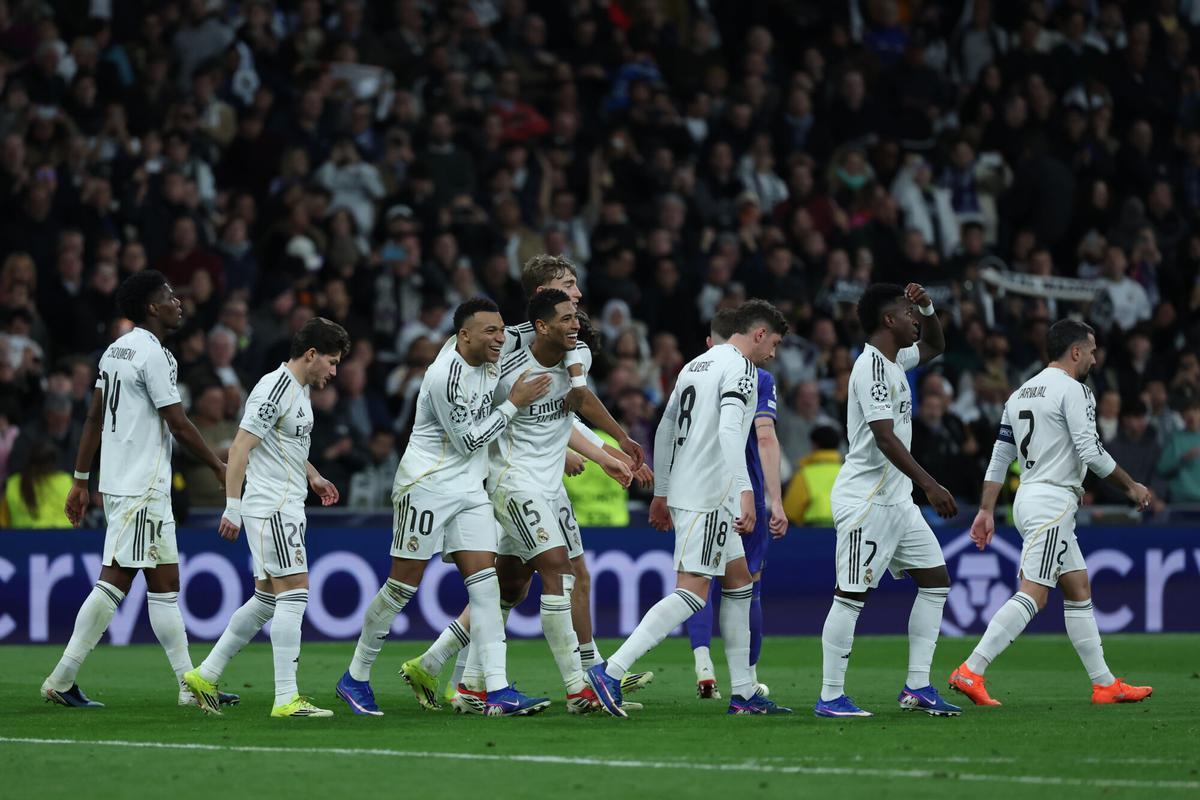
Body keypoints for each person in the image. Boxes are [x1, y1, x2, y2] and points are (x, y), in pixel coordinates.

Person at [399, 256, 652, 709]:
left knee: (511, 585)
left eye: (576, 290)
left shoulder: (577, 347)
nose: (577, 295)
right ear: (541, 302)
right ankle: (583, 682)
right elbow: (473, 406)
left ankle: (449, 673)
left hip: (547, 482)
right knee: (558, 571)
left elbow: (568, 405)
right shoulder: (498, 348)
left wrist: (601, 451)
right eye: (567, 288)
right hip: (504, 480)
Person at [335, 297, 554, 717]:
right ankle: (355, 677)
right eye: (490, 331)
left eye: (501, 329)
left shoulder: (494, 347)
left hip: (470, 490)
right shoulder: (443, 377)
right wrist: (514, 403)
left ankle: (498, 689)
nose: (500, 338)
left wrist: (561, 306)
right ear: (463, 335)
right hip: (426, 486)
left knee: (486, 584)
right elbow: (469, 440)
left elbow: (530, 330)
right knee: (401, 588)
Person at [585, 300, 791, 717]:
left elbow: (666, 428)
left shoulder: (694, 366)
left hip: (687, 487)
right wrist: (745, 491)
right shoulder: (743, 369)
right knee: (694, 591)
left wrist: (662, 491)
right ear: (757, 334)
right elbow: (732, 431)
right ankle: (610, 671)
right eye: (774, 342)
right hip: (712, 492)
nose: (773, 353)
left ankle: (746, 693)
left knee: (737, 583)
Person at [42, 270, 232, 709]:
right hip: (141, 486)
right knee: (114, 582)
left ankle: (190, 687)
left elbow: (93, 418)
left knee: (165, 584)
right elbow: (179, 423)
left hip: (133, 484)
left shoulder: (115, 350)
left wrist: (81, 480)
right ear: (152, 307)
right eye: (169, 295)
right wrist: (218, 467)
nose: (178, 300)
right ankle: (61, 678)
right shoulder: (153, 355)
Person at [949, 320, 1154, 706]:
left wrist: (985, 510)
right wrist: (1132, 487)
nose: (1095, 358)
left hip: (1029, 496)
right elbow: (1091, 453)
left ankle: (1104, 683)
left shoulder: (1020, 393)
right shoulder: (1075, 391)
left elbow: (999, 458)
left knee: (1077, 586)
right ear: (1075, 351)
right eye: (1091, 351)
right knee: (1034, 595)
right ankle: (971, 669)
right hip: (1053, 502)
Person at [183, 317, 350, 718]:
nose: (334, 370)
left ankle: (205, 675)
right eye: (331, 360)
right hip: (272, 505)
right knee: (295, 594)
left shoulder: (298, 390)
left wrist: (313, 475)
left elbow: (286, 443)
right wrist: (232, 506)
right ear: (310, 355)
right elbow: (240, 447)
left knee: (266, 599)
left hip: (287, 501)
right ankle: (286, 698)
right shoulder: (274, 389)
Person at [814, 282, 961, 719]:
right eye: (907, 310)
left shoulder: (898, 362)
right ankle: (830, 696)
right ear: (887, 320)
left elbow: (936, 342)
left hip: (897, 502)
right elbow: (883, 437)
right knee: (851, 596)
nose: (914, 317)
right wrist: (930, 485)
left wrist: (929, 305)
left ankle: (917, 686)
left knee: (936, 582)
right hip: (868, 501)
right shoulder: (872, 368)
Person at [686, 308, 789, 705]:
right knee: (748, 586)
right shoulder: (757, 378)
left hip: (694, 489)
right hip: (742, 491)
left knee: (696, 582)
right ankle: (748, 680)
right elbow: (764, 438)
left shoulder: (693, 370)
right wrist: (773, 500)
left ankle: (703, 663)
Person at [2, 438, 71, 528]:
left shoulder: (12, 483)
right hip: (65, 539)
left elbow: (3, 522)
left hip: (20, 540)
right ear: (53, 462)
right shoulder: (66, 481)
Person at [782, 425, 843, 526]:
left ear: (815, 445)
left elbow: (790, 512)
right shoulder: (847, 472)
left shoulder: (804, 474)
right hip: (845, 530)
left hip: (813, 534)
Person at [1155, 398, 1200, 502]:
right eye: (1187, 412)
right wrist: (1183, 458)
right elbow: (1162, 468)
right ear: (1182, 416)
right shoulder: (1175, 438)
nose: (1192, 415)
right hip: (1181, 499)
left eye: (1196, 410)